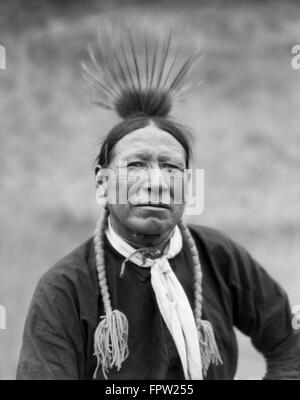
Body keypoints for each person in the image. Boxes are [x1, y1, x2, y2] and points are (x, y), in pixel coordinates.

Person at [17, 21, 300, 380]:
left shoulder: (218, 256)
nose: (156, 183)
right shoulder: (64, 289)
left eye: (170, 168)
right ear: (103, 183)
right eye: (136, 165)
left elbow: (290, 340)